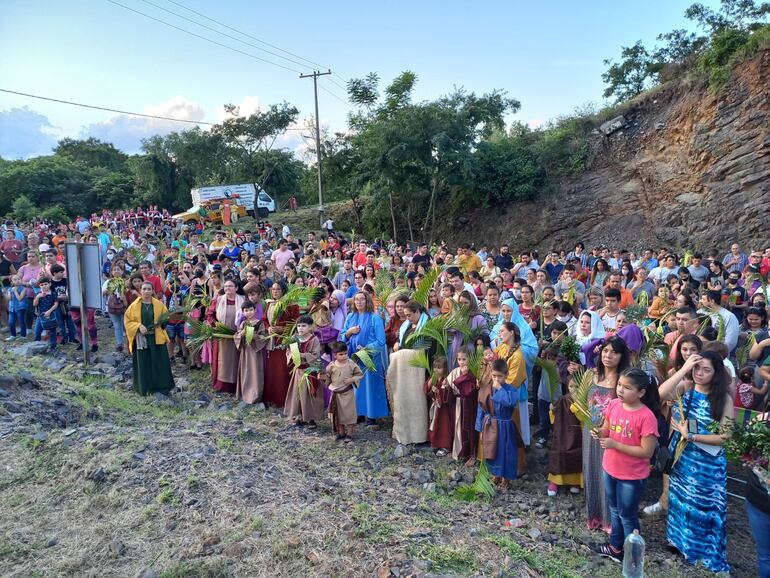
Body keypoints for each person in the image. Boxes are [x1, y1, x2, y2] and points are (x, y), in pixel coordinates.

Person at [657, 351, 733, 573]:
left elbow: (726, 436)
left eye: (706, 370)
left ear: (716, 373)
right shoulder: (686, 388)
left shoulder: (722, 398)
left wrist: (692, 436)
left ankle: (701, 550)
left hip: (708, 464)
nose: (700, 373)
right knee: (681, 500)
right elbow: (660, 394)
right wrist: (683, 369)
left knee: (704, 506)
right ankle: (679, 542)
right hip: (683, 457)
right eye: (697, 368)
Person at [591, 368, 660, 562]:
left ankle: (632, 557)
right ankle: (615, 547)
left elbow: (647, 451)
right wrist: (600, 433)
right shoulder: (613, 405)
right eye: (620, 385)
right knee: (614, 509)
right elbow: (606, 428)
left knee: (627, 515)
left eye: (627, 387)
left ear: (641, 392)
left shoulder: (646, 417)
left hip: (632, 476)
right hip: (610, 468)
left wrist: (615, 444)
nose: (620, 390)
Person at [572, 336, 631, 532]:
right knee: (591, 470)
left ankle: (610, 521)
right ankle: (595, 515)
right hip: (590, 430)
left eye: (614, 352)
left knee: (609, 474)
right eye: (605, 350)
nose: (608, 355)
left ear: (622, 356)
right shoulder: (591, 374)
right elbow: (580, 400)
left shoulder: (624, 379)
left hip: (612, 434)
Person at [476, 357, 525, 488]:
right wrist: (480, 428)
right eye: (494, 376)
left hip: (506, 426)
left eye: (500, 376)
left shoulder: (511, 390)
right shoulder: (486, 389)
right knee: (493, 450)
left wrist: (500, 389)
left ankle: (506, 478)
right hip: (490, 425)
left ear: (506, 375)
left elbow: (510, 403)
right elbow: (481, 408)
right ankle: (496, 474)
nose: (496, 379)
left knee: (507, 452)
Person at [341, 291, 389, 424]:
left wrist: (366, 349)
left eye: (362, 299)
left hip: (370, 358)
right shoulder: (350, 317)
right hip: (354, 357)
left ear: (367, 301)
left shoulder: (375, 318)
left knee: (371, 386)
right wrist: (350, 332)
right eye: (356, 300)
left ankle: (372, 416)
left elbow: (381, 341)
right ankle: (359, 413)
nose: (359, 302)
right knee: (357, 386)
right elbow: (343, 335)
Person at [124, 281, 175, 396]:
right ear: (140, 291)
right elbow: (128, 321)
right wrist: (138, 326)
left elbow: (166, 318)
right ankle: (144, 387)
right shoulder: (134, 306)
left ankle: (162, 387)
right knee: (144, 362)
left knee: (160, 362)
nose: (146, 291)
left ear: (152, 291)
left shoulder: (159, 305)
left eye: (149, 289)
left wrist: (160, 323)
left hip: (156, 338)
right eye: (144, 289)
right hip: (141, 339)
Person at [263, 281, 299, 408]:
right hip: (273, 340)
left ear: (283, 290)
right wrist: (268, 328)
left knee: (283, 368)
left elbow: (296, 322)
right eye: (273, 289)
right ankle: (272, 396)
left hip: (285, 340)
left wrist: (281, 328)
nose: (275, 291)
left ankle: (283, 398)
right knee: (273, 368)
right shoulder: (269, 304)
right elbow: (265, 319)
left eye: (278, 289)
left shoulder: (291, 304)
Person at [205, 279, 244, 393]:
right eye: (226, 286)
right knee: (223, 361)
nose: (227, 288)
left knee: (236, 361)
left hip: (238, 336)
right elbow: (209, 314)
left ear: (236, 288)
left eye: (230, 286)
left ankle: (236, 385)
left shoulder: (242, 299)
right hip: (222, 335)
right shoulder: (218, 299)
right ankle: (222, 384)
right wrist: (214, 324)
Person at [284, 315, 324, 428]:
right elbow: (288, 351)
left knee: (309, 395)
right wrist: (291, 354)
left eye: (304, 326)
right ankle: (300, 417)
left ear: (311, 327)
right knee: (298, 395)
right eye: (299, 326)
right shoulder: (294, 338)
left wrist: (302, 355)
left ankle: (311, 419)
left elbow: (315, 356)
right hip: (298, 371)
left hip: (309, 372)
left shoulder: (314, 340)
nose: (300, 328)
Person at [326, 341, 364, 443]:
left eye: (345, 353)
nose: (344, 356)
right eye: (341, 354)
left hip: (348, 394)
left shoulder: (351, 364)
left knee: (349, 414)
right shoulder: (331, 366)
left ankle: (350, 434)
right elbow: (327, 378)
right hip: (336, 394)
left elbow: (360, 374)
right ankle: (342, 433)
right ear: (335, 355)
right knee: (338, 414)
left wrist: (352, 380)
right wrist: (322, 377)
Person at [233, 300, 268, 405]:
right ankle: (245, 393)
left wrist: (255, 336)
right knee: (246, 371)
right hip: (246, 351)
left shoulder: (260, 323)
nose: (249, 312)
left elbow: (264, 337)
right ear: (243, 312)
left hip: (255, 352)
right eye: (246, 310)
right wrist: (241, 334)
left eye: (251, 310)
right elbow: (237, 336)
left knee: (255, 371)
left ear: (255, 310)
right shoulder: (243, 323)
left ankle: (255, 394)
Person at [425, 356, 453, 456]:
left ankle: (445, 446)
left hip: (443, 409)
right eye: (435, 367)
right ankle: (435, 443)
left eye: (439, 368)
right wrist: (429, 385)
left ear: (445, 369)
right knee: (434, 424)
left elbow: (448, 395)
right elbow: (426, 388)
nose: (436, 370)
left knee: (444, 426)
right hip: (435, 406)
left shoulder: (447, 379)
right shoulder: (434, 378)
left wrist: (439, 391)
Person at [5, 275, 27, 340]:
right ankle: (13, 335)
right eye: (15, 279)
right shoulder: (10, 289)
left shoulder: (23, 289)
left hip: (20, 307)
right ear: (12, 282)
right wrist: (5, 293)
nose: (17, 280)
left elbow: (19, 298)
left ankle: (23, 336)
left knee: (21, 321)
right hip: (12, 308)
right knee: (11, 322)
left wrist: (15, 291)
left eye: (19, 279)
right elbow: (9, 298)